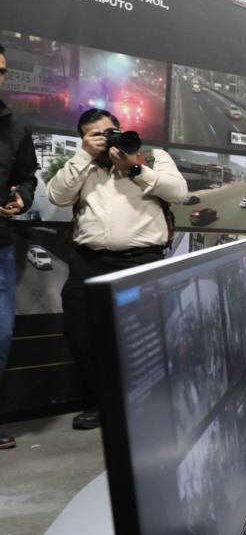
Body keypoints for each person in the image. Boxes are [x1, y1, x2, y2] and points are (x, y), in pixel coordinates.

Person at [48, 108, 187, 430]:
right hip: (88, 262)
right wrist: (84, 155)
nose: (105, 139)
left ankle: (147, 406)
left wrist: (134, 168)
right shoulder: (82, 165)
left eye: (109, 132)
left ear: (120, 129)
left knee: (145, 336)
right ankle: (99, 404)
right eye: (95, 135)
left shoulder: (152, 156)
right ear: (84, 138)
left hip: (141, 261)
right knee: (82, 334)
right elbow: (57, 196)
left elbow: (178, 193)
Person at [0, 44, 38, 450]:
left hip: (1, 247)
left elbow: (27, 177)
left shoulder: (16, 126)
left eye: (1, 71)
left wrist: (21, 199)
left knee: (1, 337)